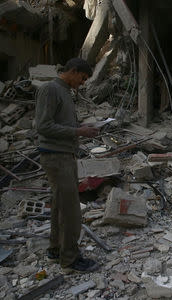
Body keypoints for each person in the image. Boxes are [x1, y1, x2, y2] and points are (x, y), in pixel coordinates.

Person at [36, 58, 100, 273]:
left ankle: (55, 249)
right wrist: (77, 132)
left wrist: (80, 127)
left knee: (59, 205)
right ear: (73, 71)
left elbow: (59, 124)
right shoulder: (51, 89)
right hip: (56, 156)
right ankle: (70, 259)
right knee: (71, 209)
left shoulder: (63, 91)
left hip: (63, 154)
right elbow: (44, 126)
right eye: (82, 78)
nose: (82, 83)